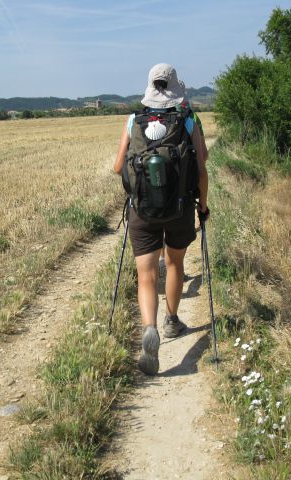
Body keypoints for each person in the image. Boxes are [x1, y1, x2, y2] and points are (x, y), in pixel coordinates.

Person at [113, 63, 209, 375]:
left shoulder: (133, 120)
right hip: (180, 208)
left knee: (146, 275)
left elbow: (118, 167)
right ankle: (171, 321)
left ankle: (148, 329)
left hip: (142, 210)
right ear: (176, 88)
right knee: (174, 265)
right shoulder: (189, 119)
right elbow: (202, 165)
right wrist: (202, 206)